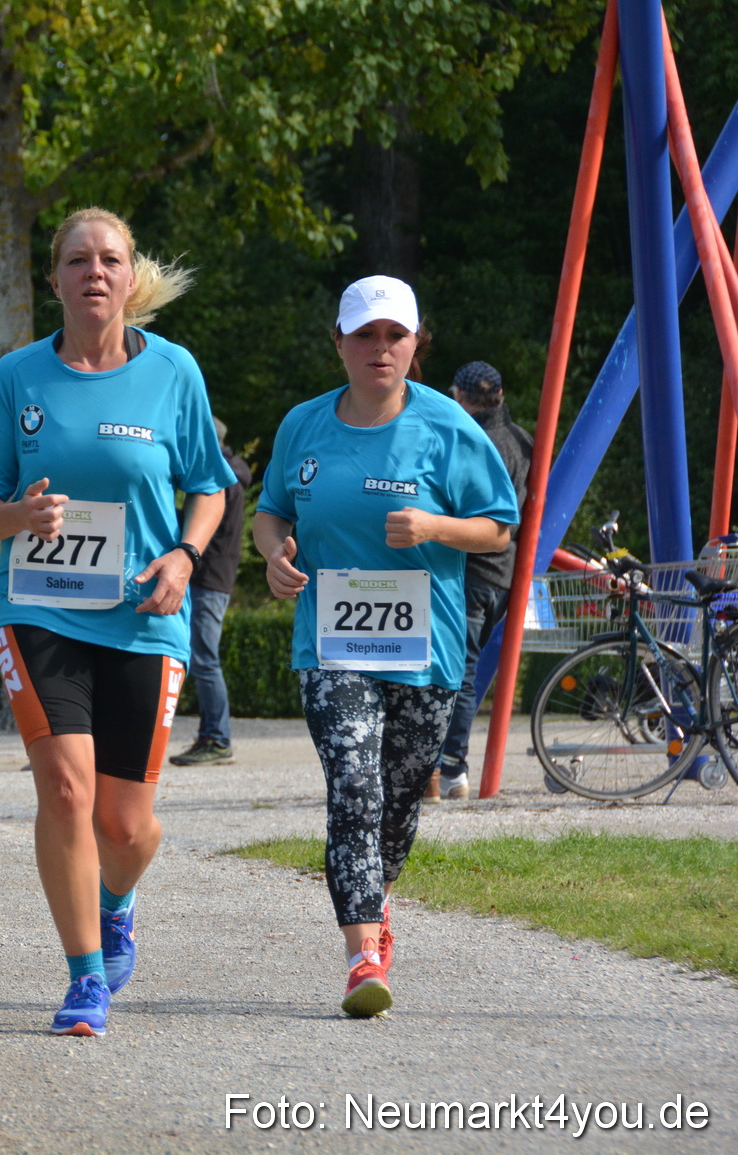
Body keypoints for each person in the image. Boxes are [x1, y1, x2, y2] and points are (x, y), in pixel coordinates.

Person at [0, 207, 233, 1037]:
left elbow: (210, 485)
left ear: (129, 274)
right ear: (54, 279)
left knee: (127, 825)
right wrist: (21, 515)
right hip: (39, 608)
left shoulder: (174, 371)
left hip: (141, 615)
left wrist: (185, 554)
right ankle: (85, 976)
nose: (94, 272)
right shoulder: (17, 378)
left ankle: (117, 903)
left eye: (110, 259)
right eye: (78, 260)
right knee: (65, 788)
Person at [253, 276, 518, 1018]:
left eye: (394, 335)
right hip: (332, 645)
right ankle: (363, 955)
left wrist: (434, 527)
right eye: (364, 335)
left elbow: (498, 529)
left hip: (424, 649)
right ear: (338, 341)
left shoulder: (447, 424)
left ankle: (376, 897)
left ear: (415, 342)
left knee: (397, 801)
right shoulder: (303, 425)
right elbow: (271, 513)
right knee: (353, 784)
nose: (379, 348)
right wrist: (274, 555)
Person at [430, 361, 533, 802]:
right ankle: (450, 767)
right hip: (505, 575)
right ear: (501, 396)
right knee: (466, 672)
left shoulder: (468, 440)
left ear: (458, 396)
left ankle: (449, 767)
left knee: (454, 673)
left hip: (469, 570)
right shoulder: (523, 440)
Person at [171, 418, 252, 766]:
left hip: (208, 578)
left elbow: (200, 524)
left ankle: (217, 739)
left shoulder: (219, 477)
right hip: (215, 577)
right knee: (203, 659)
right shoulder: (231, 473)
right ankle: (213, 737)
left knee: (204, 660)